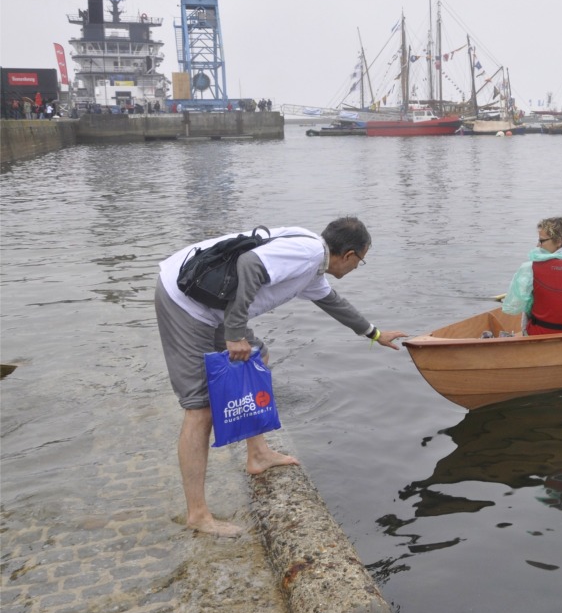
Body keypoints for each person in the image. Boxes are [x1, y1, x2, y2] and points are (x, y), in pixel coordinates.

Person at [155, 216, 406, 537]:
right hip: (187, 302)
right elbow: (249, 265)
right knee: (199, 407)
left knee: (257, 357)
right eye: (362, 261)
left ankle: (258, 454)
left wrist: (375, 334)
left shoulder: (313, 266)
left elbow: (333, 303)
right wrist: (234, 332)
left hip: (215, 302)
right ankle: (198, 515)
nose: (358, 267)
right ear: (350, 255)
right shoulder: (308, 252)